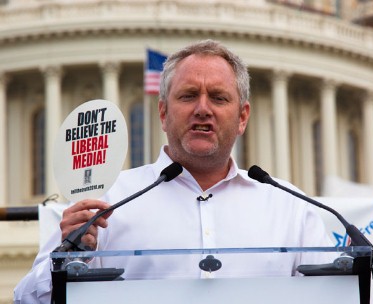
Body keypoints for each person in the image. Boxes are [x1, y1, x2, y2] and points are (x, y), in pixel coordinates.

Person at [14, 39, 334, 303]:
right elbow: (27, 299)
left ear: (242, 117)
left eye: (219, 98)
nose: (203, 109)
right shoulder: (107, 202)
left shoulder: (290, 207)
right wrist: (69, 255)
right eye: (189, 95)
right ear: (163, 113)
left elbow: (334, 295)